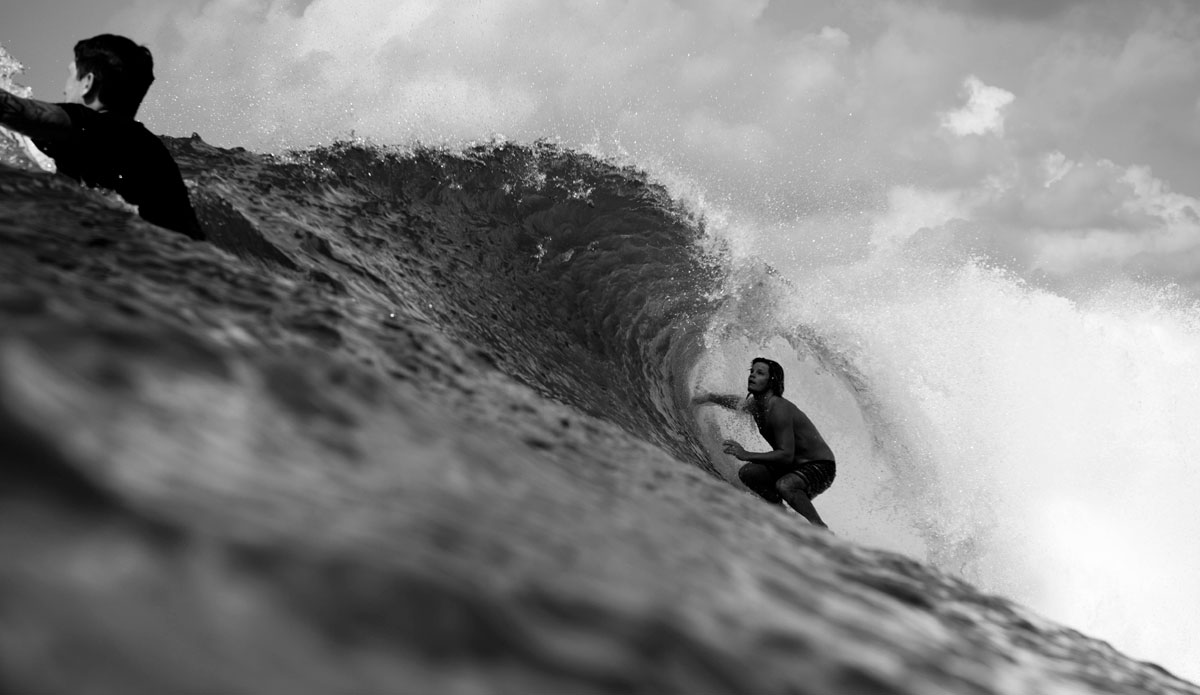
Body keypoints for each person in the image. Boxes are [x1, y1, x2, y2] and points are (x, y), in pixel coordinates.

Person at [0, 34, 203, 240]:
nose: (65, 89)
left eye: (70, 76)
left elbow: (23, 113)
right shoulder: (147, 148)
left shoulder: (98, 127)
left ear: (87, 82)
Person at [692, 357, 836, 529]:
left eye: (760, 373)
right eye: (752, 372)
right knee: (749, 473)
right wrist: (711, 397)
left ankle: (819, 528)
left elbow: (785, 455)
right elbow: (737, 403)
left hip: (820, 466)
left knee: (785, 485)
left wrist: (746, 454)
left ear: (771, 381)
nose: (752, 376)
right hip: (795, 465)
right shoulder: (758, 405)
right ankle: (779, 513)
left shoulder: (779, 408)